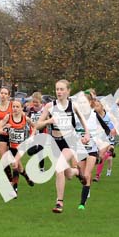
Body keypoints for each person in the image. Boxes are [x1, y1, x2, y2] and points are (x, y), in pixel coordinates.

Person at [35, 80, 89, 213]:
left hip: (70, 141)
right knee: (68, 174)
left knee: (58, 168)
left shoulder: (73, 105)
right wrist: (49, 120)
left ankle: (59, 202)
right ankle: (77, 172)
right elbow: (38, 125)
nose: (59, 91)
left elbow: (83, 120)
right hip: (55, 142)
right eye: (57, 89)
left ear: (68, 91)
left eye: (61, 89)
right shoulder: (50, 106)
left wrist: (86, 134)